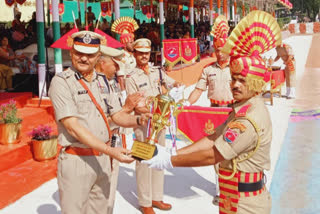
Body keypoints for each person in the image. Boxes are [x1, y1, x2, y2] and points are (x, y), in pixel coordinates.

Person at [143, 10, 282, 214]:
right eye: (233, 78)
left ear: (255, 83)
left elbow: (213, 154)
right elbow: (213, 137)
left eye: (242, 80)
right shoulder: (241, 110)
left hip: (246, 203)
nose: (234, 84)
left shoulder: (247, 120)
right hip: (233, 197)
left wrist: (168, 160)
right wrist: (173, 152)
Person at [48, 31, 149, 214]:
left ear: (98, 56)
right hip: (76, 159)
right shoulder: (62, 82)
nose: (84, 58)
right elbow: (73, 127)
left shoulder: (103, 81)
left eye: (90, 54)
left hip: (102, 159)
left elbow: (117, 115)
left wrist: (138, 119)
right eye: (79, 53)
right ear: (71, 52)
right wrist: (111, 151)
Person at [125, 38, 181, 214]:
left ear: (150, 53)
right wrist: (145, 111)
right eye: (140, 53)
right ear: (134, 54)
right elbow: (134, 103)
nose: (143, 56)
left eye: (146, 53)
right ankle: (145, 201)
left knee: (160, 158)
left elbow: (171, 82)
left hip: (160, 122)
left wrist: (176, 85)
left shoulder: (157, 71)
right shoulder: (131, 77)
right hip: (143, 124)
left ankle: (157, 197)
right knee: (143, 161)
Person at [95, 45, 129, 214]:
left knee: (111, 182)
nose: (117, 68)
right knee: (99, 186)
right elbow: (99, 119)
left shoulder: (112, 82)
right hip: (100, 142)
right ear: (102, 63)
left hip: (115, 138)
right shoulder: (95, 85)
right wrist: (128, 109)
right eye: (114, 64)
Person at [187, 15, 233, 108]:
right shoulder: (208, 69)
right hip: (214, 109)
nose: (219, 54)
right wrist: (187, 104)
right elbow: (198, 90)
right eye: (217, 50)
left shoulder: (236, 68)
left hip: (232, 109)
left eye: (222, 50)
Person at [111, 17, 139, 93]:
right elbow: (120, 78)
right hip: (128, 89)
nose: (133, 44)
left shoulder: (133, 56)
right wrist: (123, 93)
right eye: (130, 43)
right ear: (125, 44)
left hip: (136, 86)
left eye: (133, 42)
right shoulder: (121, 57)